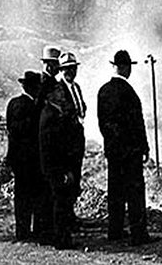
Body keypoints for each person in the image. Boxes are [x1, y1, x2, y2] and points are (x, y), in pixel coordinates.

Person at [97, 50, 152, 245]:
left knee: (115, 191)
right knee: (135, 192)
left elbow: (103, 124)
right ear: (126, 68)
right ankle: (139, 234)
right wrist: (143, 147)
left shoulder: (103, 91)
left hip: (113, 152)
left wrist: (113, 144)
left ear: (114, 66)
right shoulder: (129, 93)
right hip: (131, 153)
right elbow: (138, 123)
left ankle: (115, 230)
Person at [39, 64, 80, 250]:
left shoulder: (53, 112)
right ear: (50, 96)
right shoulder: (50, 116)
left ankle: (59, 237)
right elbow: (52, 148)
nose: (61, 94)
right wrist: (63, 171)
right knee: (59, 203)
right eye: (57, 92)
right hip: (56, 167)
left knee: (58, 202)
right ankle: (61, 239)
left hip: (56, 167)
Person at [5, 70, 46, 242]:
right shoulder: (33, 107)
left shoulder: (13, 103)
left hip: (18, 159)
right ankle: (34, 230)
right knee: (34, 195)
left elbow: (10, 132)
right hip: (31, 159)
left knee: (22, 196)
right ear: (33, 88)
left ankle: (23, 231)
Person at [59, 51, 87, 223]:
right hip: (65, 142)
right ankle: (66, 217)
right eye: (67, 69)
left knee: (75, 179)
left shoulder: (76, 87)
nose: (71, 72)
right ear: (61, 70)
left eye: (73, 68)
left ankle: (71, 214)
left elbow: (82, 109)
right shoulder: (58, 90)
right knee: (66, 180)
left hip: (77, 140)